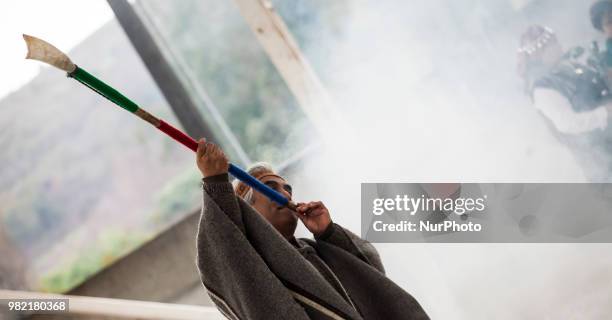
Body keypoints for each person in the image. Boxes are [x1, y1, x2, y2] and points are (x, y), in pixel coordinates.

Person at [195, 139, 429, 320]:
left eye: (288, 189)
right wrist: (216, 185)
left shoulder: (316, 250)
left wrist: (328, 233)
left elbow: (374, 276)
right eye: (271, 187)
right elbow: (228, 257)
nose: (285, 194)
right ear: (249, 209)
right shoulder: (255, 265)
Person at [517, 24, 612, 180]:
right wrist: (605, 112)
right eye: (552, 45)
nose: (559, 46)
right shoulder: (543, 88)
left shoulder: (567, 67)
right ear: (540, 53)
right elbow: (567, 123)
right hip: (602, 162)